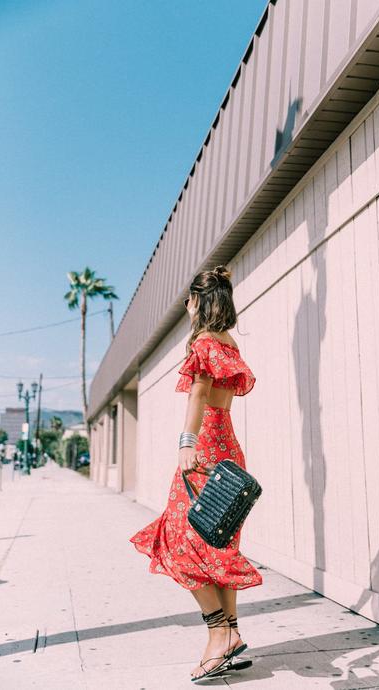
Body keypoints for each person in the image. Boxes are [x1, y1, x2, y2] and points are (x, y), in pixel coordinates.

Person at [129, 264, 263, 682]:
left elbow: (200, 395)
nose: (186, 307)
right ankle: (233, 637)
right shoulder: (230, 345)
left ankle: (217, 632)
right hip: (229, 448)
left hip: (204, 448)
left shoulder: (203, 342)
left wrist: (186, 443)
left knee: (176, 541)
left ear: (200, 302)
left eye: (189, 301)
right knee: (218, 545)